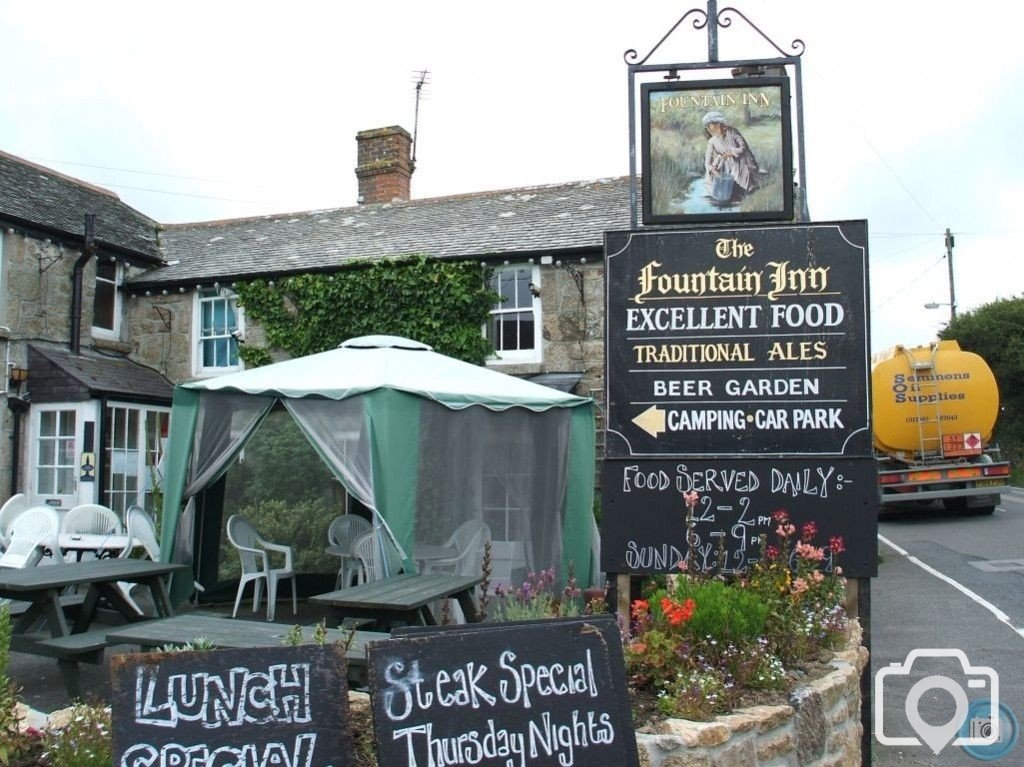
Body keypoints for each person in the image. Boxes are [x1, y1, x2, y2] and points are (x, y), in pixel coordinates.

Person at [702, 111, 761, 201]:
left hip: (740, 159)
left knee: (738, 166)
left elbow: (743, 146)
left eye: (709, 125)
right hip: (725, 163)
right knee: (716, 170)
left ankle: (742, 189)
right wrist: (715, 172)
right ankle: (727, 191)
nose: (708, 129)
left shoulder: (732, 132)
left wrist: (731, 153)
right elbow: (707, 162)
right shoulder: (712, 141)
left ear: (718, 124)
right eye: (707, 127)